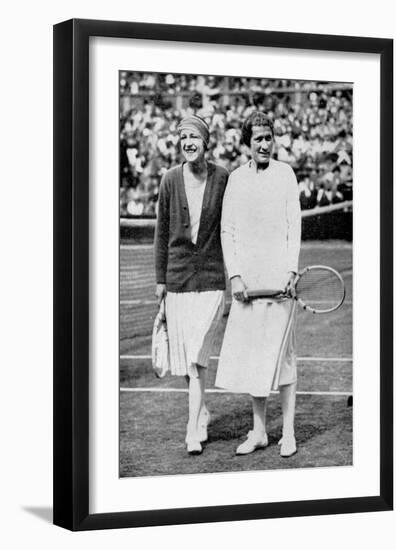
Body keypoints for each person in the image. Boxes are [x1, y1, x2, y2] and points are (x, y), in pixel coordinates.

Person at [215, 111, 301, 458]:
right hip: (248, 284)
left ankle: (289, 434)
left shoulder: (286, 174)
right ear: (248, 144)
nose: (264, 145)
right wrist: (234, 274)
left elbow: (293, 225)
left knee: (284, 358)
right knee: (255, 359)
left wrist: (291, 270)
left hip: (280, 281)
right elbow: (227, 230)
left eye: (268, 138)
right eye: (258, 140)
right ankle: (260, 431)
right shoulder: (236, 180)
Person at [154, 114, 228, 454]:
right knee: (190, 362)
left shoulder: (223, 177)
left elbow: (233, 227)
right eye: (183, 136)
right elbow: (161, 234)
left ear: (205, 141)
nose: (188, 142)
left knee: (197, 355)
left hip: (212, 280)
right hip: (178, 280)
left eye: (194, 136)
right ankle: (201, 412)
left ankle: (191, 431)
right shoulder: (169, 180)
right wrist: (159, 279)